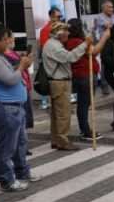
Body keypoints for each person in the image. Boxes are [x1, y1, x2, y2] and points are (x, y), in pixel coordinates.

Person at [0, 23, 39, 192]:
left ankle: (22, 172)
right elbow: (10, 80)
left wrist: (21, 66)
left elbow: (8, 75)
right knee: (7, 146)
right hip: (5, 107)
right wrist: (22, 66)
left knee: (20, 143)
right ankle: (6, 180)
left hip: (13, 106)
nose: (8, 42)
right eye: (5, 39)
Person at [42, 21, 106, 149]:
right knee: (63, 114)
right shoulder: (54, 46)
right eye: (65, 31)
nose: (68, 34)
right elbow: (70, 57)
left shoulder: (54, 44)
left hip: (60, 81)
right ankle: (62, 140)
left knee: (57, 114)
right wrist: (85, 44)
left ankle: (57, 139)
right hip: (60, 82)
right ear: (59, 33)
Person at [65, 19, 100, 140]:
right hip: (85, 75)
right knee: (84, 104)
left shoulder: (70, 42)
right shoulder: (78, 42)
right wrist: (105, 37)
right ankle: (85, 130)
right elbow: (94, 52)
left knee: (83, 103)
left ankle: (84, 128)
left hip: (81, 75)